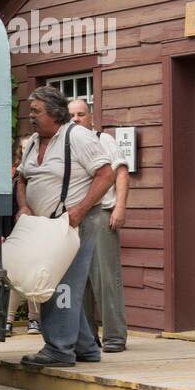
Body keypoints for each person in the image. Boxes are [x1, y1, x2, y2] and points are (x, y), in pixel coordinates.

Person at [16, 86, 115, 367]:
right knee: (60, 283)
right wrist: (23, 206)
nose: (31, 116)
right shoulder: (35, 141)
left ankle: (59, 349)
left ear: (55, 114)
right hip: (44, 226)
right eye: (30, 111)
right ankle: (86, 348)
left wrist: (80, 211)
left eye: (36, 111)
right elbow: (22, 178)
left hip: (75, 224)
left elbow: (106, 174)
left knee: (59, 284)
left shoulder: (77, 137)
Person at [68, 98, 129, 353]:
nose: (76, 119)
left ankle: (114, 337)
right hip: (75, 218)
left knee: (106, 278)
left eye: (81, 114)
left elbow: (121, 172)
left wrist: (120, 207)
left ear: (90, 117)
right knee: (79, 280)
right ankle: (88, 337)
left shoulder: (104, 140)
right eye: (71, 115)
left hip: (103, 213)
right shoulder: (67, 145)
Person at [0, 136, 40, 336]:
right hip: (15, 228)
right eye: (23, 148)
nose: (26, 151)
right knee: (14, 276)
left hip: (37, 226)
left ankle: (34, 320)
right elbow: (5, 209)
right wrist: (1, 233)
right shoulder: (13, 176)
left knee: (35, 273)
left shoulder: (40, 171)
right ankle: (8, 320)